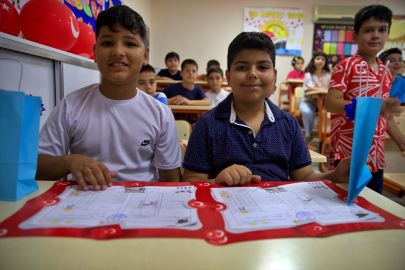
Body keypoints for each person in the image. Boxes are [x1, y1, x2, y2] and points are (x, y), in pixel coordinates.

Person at [182, 32, 368, 186]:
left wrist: (334, 176)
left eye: (262, 67)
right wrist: (218, 180)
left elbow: (303, 178)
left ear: (274, 76)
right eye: (242, 67)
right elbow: (192, 181)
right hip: (224, 212)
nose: (253, 74)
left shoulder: (288, 124)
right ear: (228, 77)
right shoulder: (207, 124)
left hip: (279, 214)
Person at [36, 6, 182, 191]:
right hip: (83, 204)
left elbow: (171, 182)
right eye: (107, 43)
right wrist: (69, 161)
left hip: (142, 205)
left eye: (130, 44)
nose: (118, 51)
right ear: (95, 53)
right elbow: (36, 169)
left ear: (145, 55)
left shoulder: (160, 113)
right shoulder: (71, 106)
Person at [325, 5, 405, 194]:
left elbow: (384, 114)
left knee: (373, 203)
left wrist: (402, 143)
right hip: (348, 151)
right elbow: (331, 103)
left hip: (375, 153)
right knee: (346, 201)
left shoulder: (386, 73)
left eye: (382, 30)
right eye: (369, 30)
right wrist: (373, 106)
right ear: (355, 36)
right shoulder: (346, 66)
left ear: (387, 34)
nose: (375, 35)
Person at [300, 52, 331, 144]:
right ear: (313, 61)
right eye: (318, 59)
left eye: (323, 59)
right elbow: (309, 88)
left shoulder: (329, 75)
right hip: (308, 101)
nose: (320, 61)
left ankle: (325, 137)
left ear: (325, 62)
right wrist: (324, 89)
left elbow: (331, 88)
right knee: (307, 112)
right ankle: (309, 135)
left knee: (330, 114)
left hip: (324, 102)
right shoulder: (308, 74)